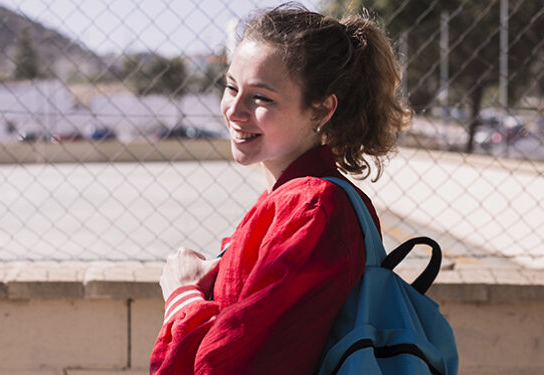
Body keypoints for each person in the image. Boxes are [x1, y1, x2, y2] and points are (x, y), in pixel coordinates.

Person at [150, 3, 410, 374]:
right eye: (231, 87)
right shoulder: (297, 200)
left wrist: (183, 294)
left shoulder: (312, 209)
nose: (234, 111)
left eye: (262, 98)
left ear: (321, 110)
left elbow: (230, 365)